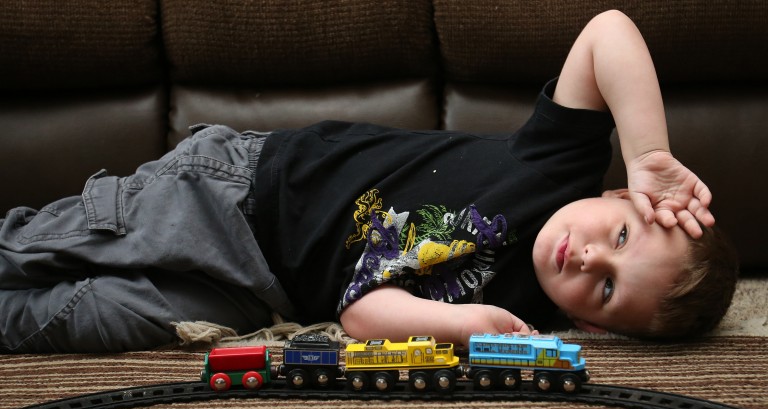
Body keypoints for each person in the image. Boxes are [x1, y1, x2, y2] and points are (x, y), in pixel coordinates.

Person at [0, 10, 737, 353]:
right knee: (47, 248)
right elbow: (609, 30)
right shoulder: (557, 164)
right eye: (618, 234)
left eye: (605, 287)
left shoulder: (520, 323)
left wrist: (462, 325)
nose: (587, 257)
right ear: (615, 199)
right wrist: (649, 156)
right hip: (242, 194)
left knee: (88, 321)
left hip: (259, 292)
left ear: (593, 326)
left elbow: (360, 316)